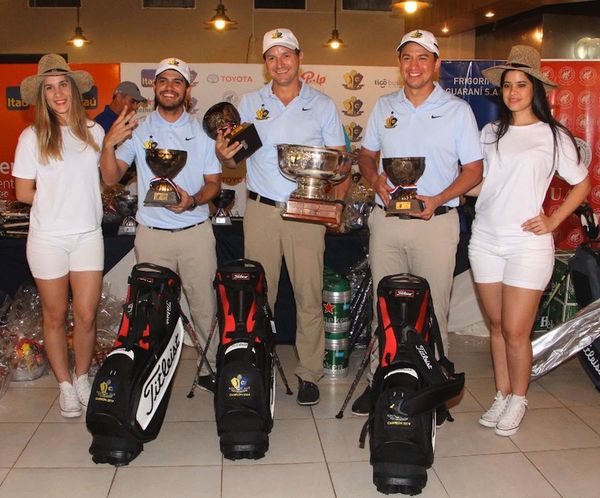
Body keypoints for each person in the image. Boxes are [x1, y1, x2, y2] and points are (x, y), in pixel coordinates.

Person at [353, 29, 483, 415]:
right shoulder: (384, 106)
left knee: (434, 309)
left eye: (422, 58)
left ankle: (435, 389)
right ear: (399, 63)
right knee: (384, 306)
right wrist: (375, 180)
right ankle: (383, 381)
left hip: (436, 223)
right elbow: (366, 155)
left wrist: (439, 198)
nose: (414, 65)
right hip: (387, 222)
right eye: (407, 57)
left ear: (436, 64)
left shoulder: (457, 110)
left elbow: (474, 169)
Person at [217, 28, 349, 406]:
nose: (279, 63)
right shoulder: (249, 102)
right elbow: (234, 159)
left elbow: (339, 162)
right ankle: (256, 364)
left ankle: (309, 372)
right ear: (265, 64)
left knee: (308, 294)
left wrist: (334, 200)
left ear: (299, 57)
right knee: (259, 295)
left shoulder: (321, 104)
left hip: (305, 211)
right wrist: (225, 155)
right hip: (260, 208)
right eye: (271, 57)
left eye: (286, 55)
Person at [469, 45, 590, 436]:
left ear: (535, 88)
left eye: (521, 84)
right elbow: (487, 183)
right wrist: (445, 189)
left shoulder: (553, 136)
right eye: (507, 85)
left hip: (527, 244)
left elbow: (582, 184)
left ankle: (519, 397)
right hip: (484, 238)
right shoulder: (490, 132)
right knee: (498, 326)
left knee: (518, 331)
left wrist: (553, 219)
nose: (513, 92)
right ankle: (502, 393)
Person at [100, 58, 229, 391]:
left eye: (177, 81)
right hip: (152, 236)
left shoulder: (201, 132)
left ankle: (213, 367)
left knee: (204, 305)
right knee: (150, 310)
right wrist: (107, 143)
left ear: (187, 89)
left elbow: (214, 183)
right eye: (163, 81)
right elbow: (111, 176)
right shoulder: (139, 129)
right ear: (154, 87)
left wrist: (194, 200)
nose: (169, 87)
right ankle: (149, 370)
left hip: (195, 234)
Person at [12, 54, 105, 418]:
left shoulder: (94, 132)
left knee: (85, 314)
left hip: (87, 236)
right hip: (48, 238)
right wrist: (58, 205)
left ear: (74, 89)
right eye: (49, 88)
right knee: (55, 315)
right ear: (42, 96)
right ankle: (65, 384)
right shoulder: (31, 136)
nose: (57, 93)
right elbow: (22, 192)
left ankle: (82, 377)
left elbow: (108, 176)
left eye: (62, 85)